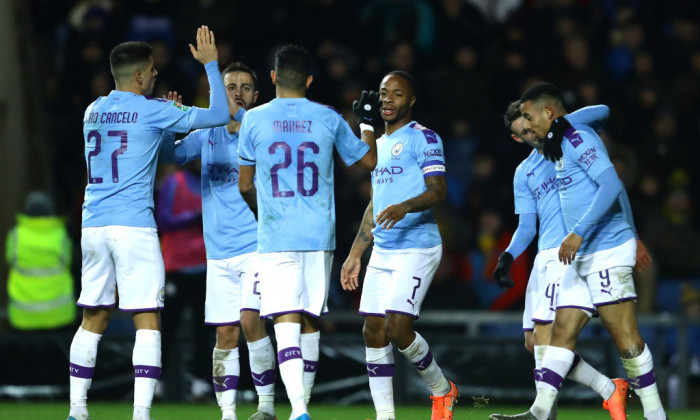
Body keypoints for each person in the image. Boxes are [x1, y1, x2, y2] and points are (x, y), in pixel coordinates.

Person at [68, 26, 229, 420]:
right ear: (139, 76)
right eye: (152, 70)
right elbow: (221, 115)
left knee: (94, 315)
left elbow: (152, 152)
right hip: (133, 227)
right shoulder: (153, 109)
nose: (156, 75)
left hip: (93, 225)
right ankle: (141, 414)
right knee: (148, 318)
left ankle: (77, 410)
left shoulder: (93, 111)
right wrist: (210, 66)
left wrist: (165, 121)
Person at [490, 82, 665, 420]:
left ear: (548, 114)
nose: (528, 130)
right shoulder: (530, 168)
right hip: (572, 255)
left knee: (625, 338)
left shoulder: (575, 137)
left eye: (530, 120)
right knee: (556, 334)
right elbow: (527, 225)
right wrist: (509, 255)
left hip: (593, 247)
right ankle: (542, 412)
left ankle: (655, 413)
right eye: (522, 129)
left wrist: (620, 232)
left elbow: (611, 182)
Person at [237, 44, 378, 420]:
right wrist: (366, 123)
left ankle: (298, 410)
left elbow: (244, 185)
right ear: (310, 80)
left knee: (284, 318)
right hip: (319, 234)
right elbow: (369, 161)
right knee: (310, 317)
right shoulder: (328, 117)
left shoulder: (253, 119)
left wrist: (263, 209)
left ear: (272, 78)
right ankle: (304, 406)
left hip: (277, 231)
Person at [340, 70, 457, 420]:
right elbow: (376, 206)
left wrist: (405, 206)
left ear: (412, 100)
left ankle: (442, 389)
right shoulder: (375, 146)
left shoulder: (424, 138)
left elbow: (438, 191)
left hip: (418, 246)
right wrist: (355, 254)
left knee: (397, 329)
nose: (388, 99)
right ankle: (385, 416)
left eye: (397, 94)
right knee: (372, 331)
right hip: (384, 249)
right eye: (383, 93)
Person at [169, 61, 277, 420]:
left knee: (250, 321)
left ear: (256, 96)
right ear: (219, 93)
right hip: (217, 253)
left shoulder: (262, 134)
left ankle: (265, 407)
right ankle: (227, 414)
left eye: (246, 87)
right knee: (225, 334)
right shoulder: (206, 134)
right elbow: (172, 155)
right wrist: (172, 124)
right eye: (230, 87)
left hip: (256, 247)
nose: (238, 93)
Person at [155, 161, 211, 401]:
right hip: (176, 266)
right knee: (167, 326)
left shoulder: (210, 184)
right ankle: (156, 381)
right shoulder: (173, 183)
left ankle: (200, 383)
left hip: (204, 265)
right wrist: (193, 217)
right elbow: (163, 219)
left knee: (203, 326)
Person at [6, 191, 75, 330]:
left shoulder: (16, 235)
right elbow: (69, 261)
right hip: (59, 313)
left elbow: (9, 260)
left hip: (23, 314)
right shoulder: (60, 234)